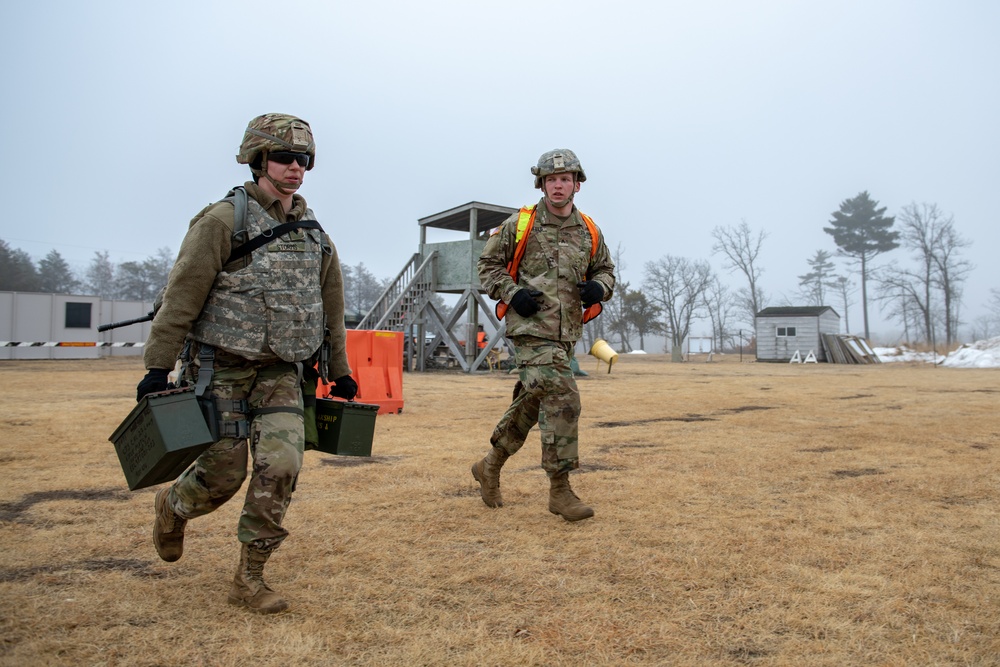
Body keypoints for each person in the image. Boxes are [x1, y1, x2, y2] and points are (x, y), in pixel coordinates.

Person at [136, 113, 357, 614]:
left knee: (281, 466)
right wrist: (157, 366)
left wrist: (338, 368)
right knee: (222, 476)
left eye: (303, 160)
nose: (295, 168)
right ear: (258, 160)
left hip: (282, 372)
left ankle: (250, 578)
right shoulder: (222, 221)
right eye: (284, 158)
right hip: (221, 368)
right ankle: (172, 508)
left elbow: (332, 308)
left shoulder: (314, 234)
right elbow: (182, 298)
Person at [473, 149, 615, 521]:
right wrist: (511, 292)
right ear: (542, 184)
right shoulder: (519, 225)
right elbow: (488, 265)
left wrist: (600, 288)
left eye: (565, 179)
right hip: (530, 332)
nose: (558, 185)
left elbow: (606, 271)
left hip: (566, 334)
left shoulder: (589, 230)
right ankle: (560, 489)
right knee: (564, 399)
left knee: (535, 404)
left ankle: (489, 465)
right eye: (551, 179)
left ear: (576, 185)